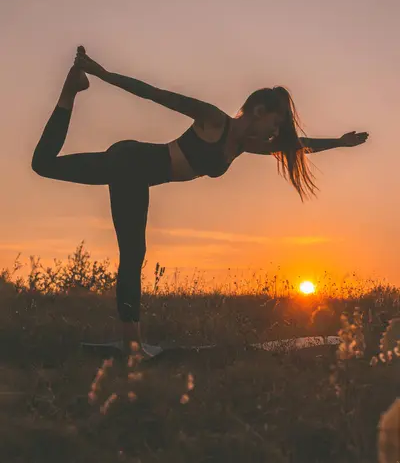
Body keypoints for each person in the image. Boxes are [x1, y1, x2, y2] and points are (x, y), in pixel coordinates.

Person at [31, 46, 369, 357]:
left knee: (45, 166)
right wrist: (103, 74)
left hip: (134, 170)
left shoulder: (242, 145)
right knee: (133, 252)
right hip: (130, 163)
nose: (274, 131)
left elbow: (295, 146)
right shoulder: (212, 119)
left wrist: (339, 143)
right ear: (258, 110)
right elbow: (155, 94)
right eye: (275, 122)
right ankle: (130, 343)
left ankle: (70, 90)